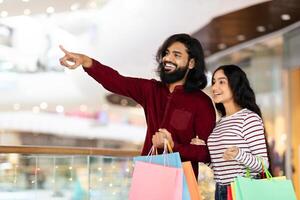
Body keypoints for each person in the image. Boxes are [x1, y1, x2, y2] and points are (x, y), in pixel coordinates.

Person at [59, 33, 216, 177]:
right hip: (148, 176)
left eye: (177, 55)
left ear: (191, 63)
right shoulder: (151, 90)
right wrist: (87, 61)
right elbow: (116, 81)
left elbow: (206, 153)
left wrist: (174, 146)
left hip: (181, 180)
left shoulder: (201, 102)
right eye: (166, 53)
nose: (168, 58)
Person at [205, 65, 269, 200]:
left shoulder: (249, 118)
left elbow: (263, 165)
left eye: (221, 82)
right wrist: (203, 155)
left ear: (235, 85)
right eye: (214, 82)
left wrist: (239, 154)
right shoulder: (219, 123)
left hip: (243, 190)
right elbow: (220, 167)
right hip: (221, 191)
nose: (215, 87)